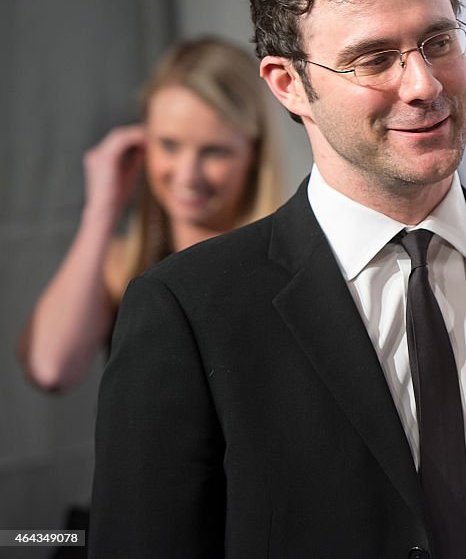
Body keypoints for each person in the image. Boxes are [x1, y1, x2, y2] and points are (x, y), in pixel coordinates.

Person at [89, 0, 466, 559]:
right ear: (288, 84)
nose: (423, 83)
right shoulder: (192, 310)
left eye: (438, 41)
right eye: (374, 58)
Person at [19, 36, 283, 392]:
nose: (187, 175)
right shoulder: (120, 265)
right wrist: (102, 209)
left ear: (252, 153)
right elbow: (51, 368)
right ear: (143, 142)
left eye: (214, 152)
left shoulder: (286, 265)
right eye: (169, 145)